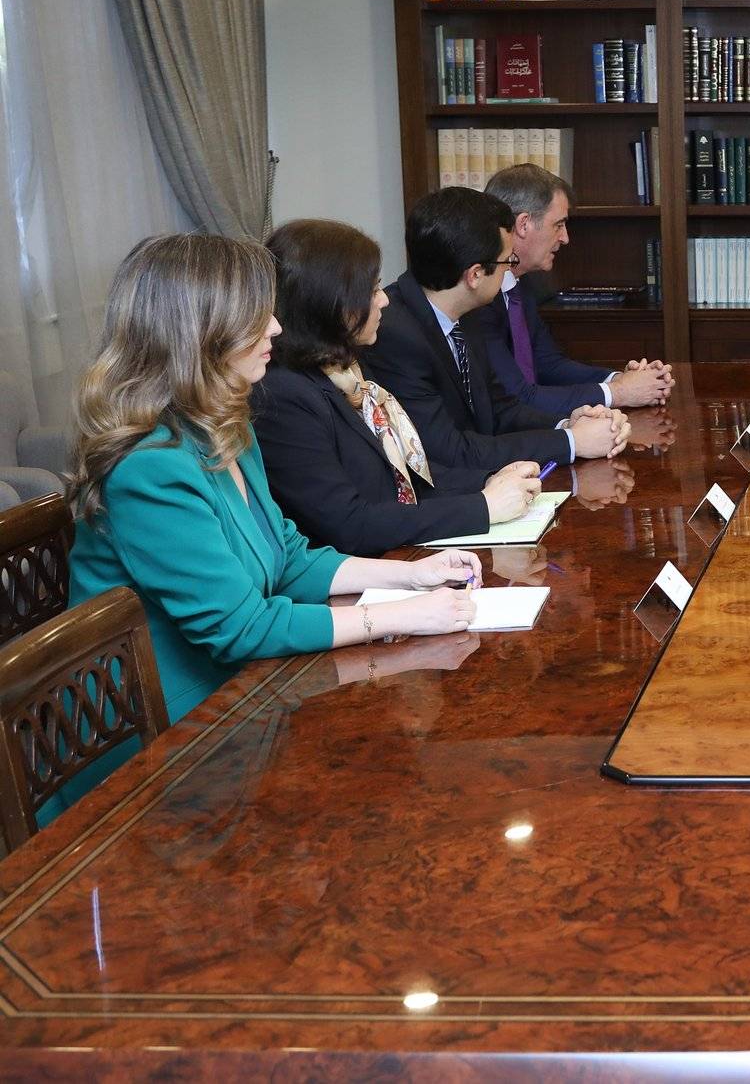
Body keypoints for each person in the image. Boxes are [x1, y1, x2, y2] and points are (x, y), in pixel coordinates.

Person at [65, 233, 484, 735]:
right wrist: (405, 616)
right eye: (257, 315)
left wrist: (411, 577)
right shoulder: (149, 467)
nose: (277, 326)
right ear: (203, 331)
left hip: (245, 690)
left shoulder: (224, 426)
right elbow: (241, 629)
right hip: (166, 729)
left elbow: (288, 559)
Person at [252, 219, 543, 557]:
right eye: (372, 290)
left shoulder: (346, 368)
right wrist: (484, 506)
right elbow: (349, 524)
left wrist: (489, 481)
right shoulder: (283, 395)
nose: (384, 301)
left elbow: (405, 474)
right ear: (330, 302)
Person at [360, 187, 627, 471]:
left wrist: (567, 424)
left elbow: (500, 409)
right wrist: (572, 442)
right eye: (508, 261)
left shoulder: (466, 311)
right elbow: (449, 452)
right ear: (475, 275)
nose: (510, 269)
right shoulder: (395, 336)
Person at [478, 164, 673, 414]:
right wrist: (620, 392)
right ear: (523, 224)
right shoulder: (480, 298)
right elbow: (517, 397)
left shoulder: (521, 284)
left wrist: (620, 379)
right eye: (558, 225)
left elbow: (548, 364)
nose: (565, 238)